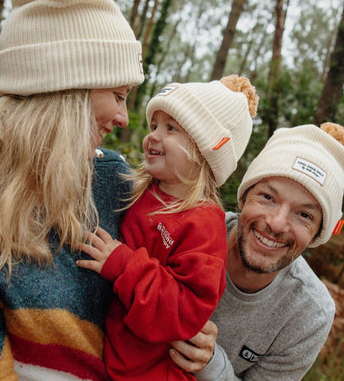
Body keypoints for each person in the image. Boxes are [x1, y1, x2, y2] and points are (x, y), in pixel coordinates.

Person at [0, 0, 144, 380]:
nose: (124, 117)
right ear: (67, 94)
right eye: (118, 95)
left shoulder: (114, 180)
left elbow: (193, 241)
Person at [76, 76, 259, 380]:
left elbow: (188, 310)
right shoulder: (141, 193)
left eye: (171, 128)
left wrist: (124, 265)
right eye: (154, 126)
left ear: (204, 153)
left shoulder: (203, 223)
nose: (153, 137)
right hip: (112, 358)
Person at [169, 122, 344, 380]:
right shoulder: (184, 230)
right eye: (268, 197)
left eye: (304, 214)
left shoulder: (309, 313)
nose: (277, 223)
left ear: (316, 235)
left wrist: (211, 365)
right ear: (243, 198)